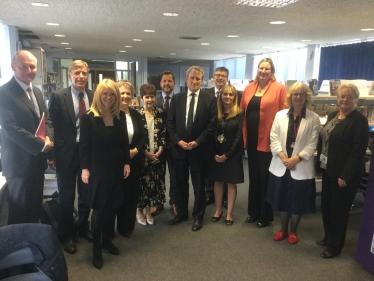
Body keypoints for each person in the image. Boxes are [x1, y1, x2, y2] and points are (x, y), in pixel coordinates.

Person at [79, 79, 131, 269]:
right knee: (100, 209)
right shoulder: (89, 117)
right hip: (97, 170)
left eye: (112, 94)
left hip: (117, 168)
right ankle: (97, 247)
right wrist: (84, 168)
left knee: (112, 208)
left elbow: (124, 143)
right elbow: (84, 146)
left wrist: (127, 163)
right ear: (99, 95)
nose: (109, 97)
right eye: (105, 94)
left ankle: (108, 241)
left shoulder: (120, 116)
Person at [0, 50, 54, 225]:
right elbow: (11, 128)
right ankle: (16, 248)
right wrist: (40, 145)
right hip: (19, 165)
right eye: (24, 66)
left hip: (37, 162)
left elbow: (47, 120)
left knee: (34, 207)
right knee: (18, 211)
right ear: (13, 67)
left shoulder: (37, 92)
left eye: (32, 67)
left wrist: (48, 138)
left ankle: (32, 244)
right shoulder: (4, 93)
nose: (29, 70)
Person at [315, 84, 368, 258]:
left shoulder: (359, 120)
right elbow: (324, 141)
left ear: (356, 100)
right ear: (337, 98)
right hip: (328, 169)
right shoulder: (332, 115)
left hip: (344, 174)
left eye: (349, 97)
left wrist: (346, 175)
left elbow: (358, 151)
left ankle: (335, 246)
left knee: (339, 210)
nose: (344, 100)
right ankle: (329, 236)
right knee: (327, 206)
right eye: (342, 96)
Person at [266, 82, 320, 244]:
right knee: (282, 199)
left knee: (297, 201)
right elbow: (273, 138)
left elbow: (312, 143)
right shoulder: (280, 115)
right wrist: (284, 158)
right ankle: (283, 229)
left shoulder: (313, 118)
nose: (298, 97)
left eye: (301, 94)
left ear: (306, 97)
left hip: (301, 166)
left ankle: (293, 231)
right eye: (295, 94)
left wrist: (296, 159)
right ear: (290, 97)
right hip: (280, 165)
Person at [49, 60, 94, 254]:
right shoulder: (59, 96)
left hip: (89, 154)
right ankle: (66, 234)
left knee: (86, 195)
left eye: (84, 73)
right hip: (66, 153)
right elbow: (51, 125)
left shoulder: (94, 95)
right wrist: (50, 154)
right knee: (66, 198)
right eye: (77, 73)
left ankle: (83, 227)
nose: (81, 76)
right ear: (70, 75)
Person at [167, 66, 217, 232]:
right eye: (192, 78)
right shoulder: (177, 98)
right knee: (180, 184)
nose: (195, 81)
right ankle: (181, 213)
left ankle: (198, 217)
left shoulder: (210, 99)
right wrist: (177, 141)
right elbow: (170, 123)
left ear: (202, 81)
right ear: (186, 79)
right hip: (179, 150)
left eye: (198, 79)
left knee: (199, 186)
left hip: (199, 151)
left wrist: (197, 142)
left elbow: (211, 127)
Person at [240, 58, 287, 228]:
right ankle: (253, 212)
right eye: (261, 68)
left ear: (272, 70)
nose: (263, 71)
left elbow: (285, 115)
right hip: (251, 139)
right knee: (253, 177)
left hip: (268, 141)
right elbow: (242, 110)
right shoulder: (250, 87)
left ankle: (265, 216)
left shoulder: (279, 89)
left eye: (267, 68)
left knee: (265, 179)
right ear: (257, 70)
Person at [209, 85, 244, 226]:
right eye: (225, 94)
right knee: (217, 182)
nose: (228, 97)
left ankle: (229, 212)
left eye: (231, 94)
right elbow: (210, 133)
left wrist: (227, 155)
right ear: (220, 95)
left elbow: (238, 136)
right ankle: (218, 210)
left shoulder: (240, 112)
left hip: (232, 154)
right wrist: (215, 153)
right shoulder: (214, 112)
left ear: (235, 97)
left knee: (230, 183)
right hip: (216, 153)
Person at [115, 79, 145, 236]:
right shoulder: (111, 114)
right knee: (117, 195)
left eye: (128, 93)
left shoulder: (136, 114)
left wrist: (136, 150)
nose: (125, 96)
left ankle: (127, 227)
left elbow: (142, 137)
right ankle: (111, 229)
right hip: (117, 162)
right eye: (122, 93)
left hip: (134, 160)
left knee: (132, 195)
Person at [136, 84, 166, 226]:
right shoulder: (136, 114)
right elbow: (136, 137)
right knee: (141, 184)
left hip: (157, 157)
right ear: (141, 98)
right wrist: (146, 153)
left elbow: (163, 134)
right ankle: (139, 211)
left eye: (152, 96)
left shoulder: (160, 112)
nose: (150, 100)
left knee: (153, 185)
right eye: (147, 97)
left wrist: (159, 151)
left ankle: (149, 211)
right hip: (142, 156)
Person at [155, 71, 177, 215]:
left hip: (175, 144)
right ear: (160, 83)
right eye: (164, 81)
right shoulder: (153, 100)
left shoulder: (179, 100)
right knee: (158, 174)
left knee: (175, 175)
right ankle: (158, 203)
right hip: (158, 146)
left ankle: (174, 202)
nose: (167, 84)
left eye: (170, 81)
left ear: (174, 83)